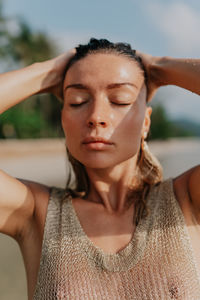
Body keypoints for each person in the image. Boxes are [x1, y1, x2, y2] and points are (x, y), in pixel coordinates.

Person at [0, 38, 200, 300]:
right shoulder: (34, 213)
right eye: (77, 100)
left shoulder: (188, 201)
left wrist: (162, 67)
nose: (96, 116)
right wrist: (45, 73)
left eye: (119, 100)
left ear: (145, 123)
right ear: (63, 120)